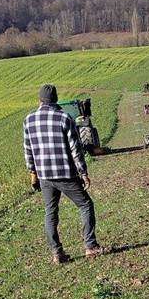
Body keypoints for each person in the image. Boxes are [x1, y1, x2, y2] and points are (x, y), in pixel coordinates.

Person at [23, 84, 110, 264]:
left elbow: (28, 150)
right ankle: (90, 246)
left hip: (45, 177)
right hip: (66, 174)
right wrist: (83, 172)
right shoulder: (64, 117)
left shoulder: (29, 119)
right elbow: (75, 148)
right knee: (85, 205)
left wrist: (33, 174)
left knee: (50, 213)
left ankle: (57, 254)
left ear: (40, 99)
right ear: (56, 99)